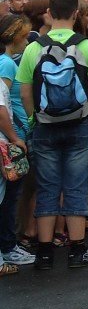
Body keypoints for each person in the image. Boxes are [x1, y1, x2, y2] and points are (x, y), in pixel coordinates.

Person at [17, 0, 88, 269]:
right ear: (76, 13)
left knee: (47, 187)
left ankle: (44, 253)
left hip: (45, 126)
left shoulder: (34, 48)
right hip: (79, 124)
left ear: (48, 13)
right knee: (76, 186)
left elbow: (24, 93)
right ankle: (77, 250)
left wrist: (35, 118)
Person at [0, 14, 34, 270]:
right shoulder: (7, 64)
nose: (27, 42)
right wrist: (15, 137)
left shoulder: (8, 61)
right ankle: (7, 248)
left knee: (11, 196)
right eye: (24, 37)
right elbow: (3, 106)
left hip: (13, 135)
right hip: (10, 138)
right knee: (8, 196)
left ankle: (9, 245)